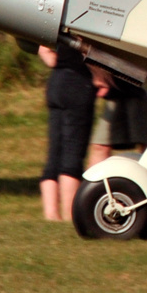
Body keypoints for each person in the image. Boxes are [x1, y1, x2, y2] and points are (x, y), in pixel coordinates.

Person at [38, 42, 95, 223]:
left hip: (56, 83)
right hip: (78, 84)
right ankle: (70, 216)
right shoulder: (91, 22)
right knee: (72, 154)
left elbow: (43, 51)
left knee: (54, 154)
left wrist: (61, 62)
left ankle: (51, 216)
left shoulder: (61, 23)